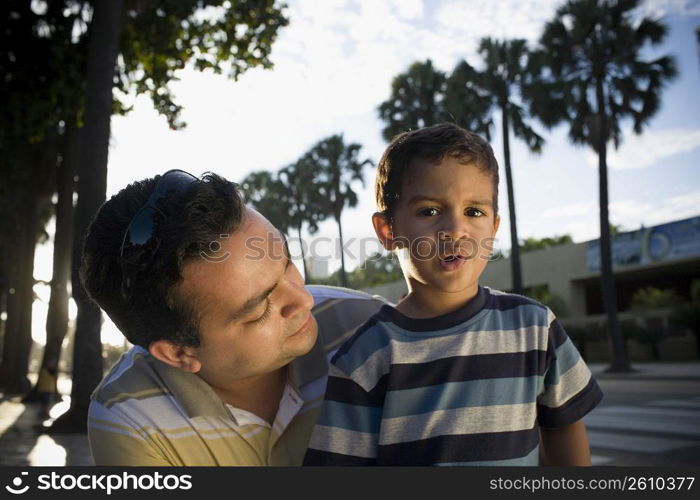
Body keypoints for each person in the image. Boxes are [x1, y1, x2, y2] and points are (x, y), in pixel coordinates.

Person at [303, 123, 603, 466]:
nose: (455, 229)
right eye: (429, 211)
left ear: (493, 229)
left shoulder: (534, 327)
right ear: (388, 231)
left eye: (474, 211)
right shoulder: (365, 357)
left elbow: (564, 430)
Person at [82, 170, 385, 465]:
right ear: (178, 352)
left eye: (287, 263)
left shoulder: (372, 329)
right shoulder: (131, 416)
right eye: (259, 310)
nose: (304, 299)